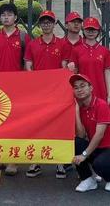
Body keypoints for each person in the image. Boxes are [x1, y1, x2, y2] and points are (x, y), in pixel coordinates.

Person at [24, 10, 70, 179]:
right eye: (43, 22)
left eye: (49, 21)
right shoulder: (33, 44)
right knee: (37, 126)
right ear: (40, 24)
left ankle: (60, 162)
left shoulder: (62, 44)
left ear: (54, 23)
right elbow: (28, 66)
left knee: (58, 126)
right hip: (38, 92)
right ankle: (35, 161)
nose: (46, 24)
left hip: (57, 92)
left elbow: (64, 67)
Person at [0, 2, 26, 176]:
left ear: (15, 17)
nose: (6, 17)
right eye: (3, 15)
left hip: (17, 87)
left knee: (15, 124)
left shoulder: (23, 36)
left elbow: (27, 61)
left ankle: (12, 160)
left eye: (9, 14)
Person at [70, 73, 110, 193]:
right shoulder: (81, 108)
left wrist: (84, 155)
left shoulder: (101, 105)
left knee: (99, 164)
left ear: (91, 88)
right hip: (96, 149)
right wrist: (77, 111)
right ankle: (87, 179)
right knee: (75, 142)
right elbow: (81, 135)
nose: (79, 90)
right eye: (76, 87)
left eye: (82, 86)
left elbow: (99, 135)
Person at [67, 17, 110, 103]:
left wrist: (109, 95)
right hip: (82, 92)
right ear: (83, 30)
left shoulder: (105, 51)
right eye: (88, 30)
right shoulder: (76, 50)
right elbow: (74, 73)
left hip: (100, 90)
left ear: (98, 31)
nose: (91, 32)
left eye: (93, 30)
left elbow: (107, 73)